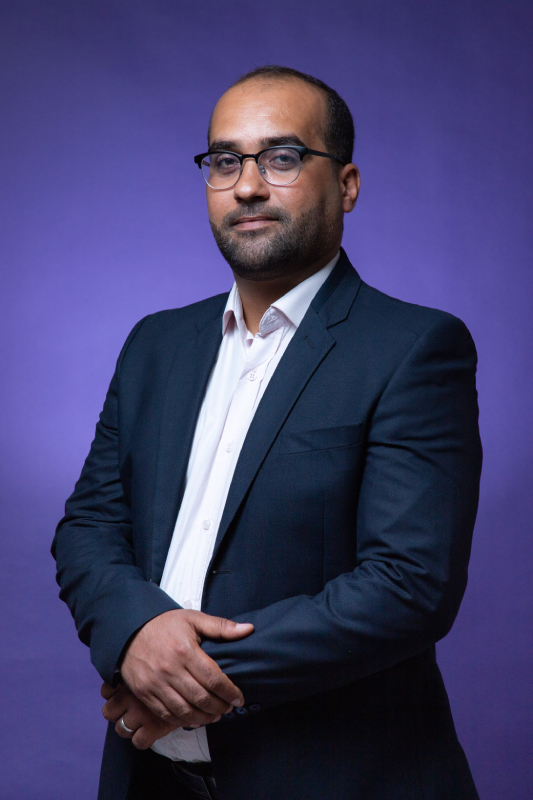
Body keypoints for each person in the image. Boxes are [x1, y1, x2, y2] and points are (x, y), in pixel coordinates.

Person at [53, 65, 482, 800]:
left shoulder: (413, 348)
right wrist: (133, 633)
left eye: (281, 157)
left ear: (346, 184)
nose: (247, 186)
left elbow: (408, 586)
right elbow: (89, 526)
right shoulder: (155, 344)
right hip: (149, 780)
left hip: (337, 778)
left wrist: (174, 677)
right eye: (225, 161)